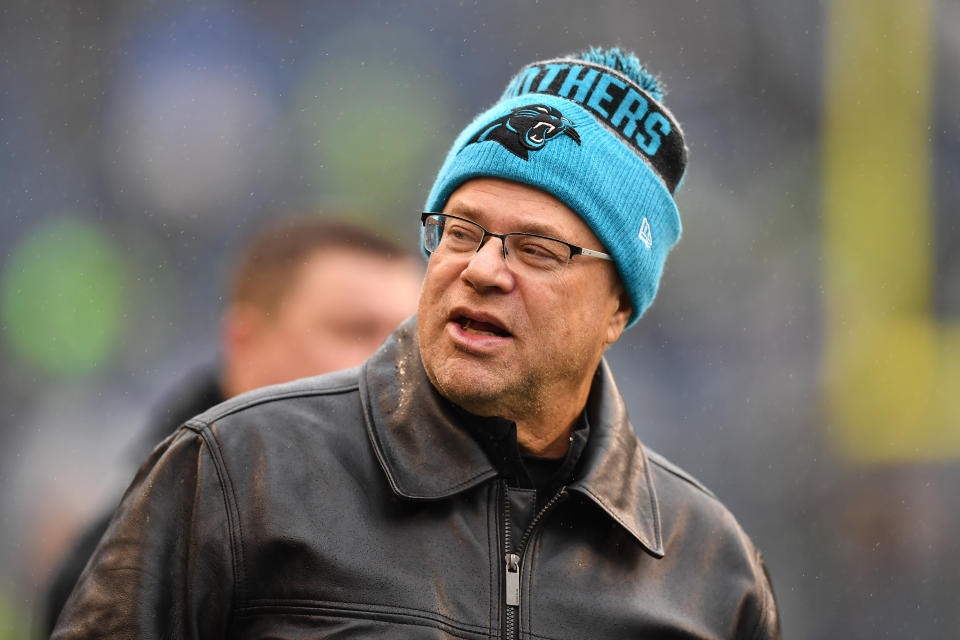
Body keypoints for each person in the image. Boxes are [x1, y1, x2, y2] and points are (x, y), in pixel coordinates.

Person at [52, 47, 781, 639]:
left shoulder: (713, 570)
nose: (483, 269)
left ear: (617, 307)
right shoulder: (235, 471)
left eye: (535, 249)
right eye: (460, 232)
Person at [42, 217, 422, 635]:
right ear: (246, 344)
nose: (395, 361)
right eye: (357, 330)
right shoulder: (126, 571)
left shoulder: (463, 519)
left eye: (409, 337)